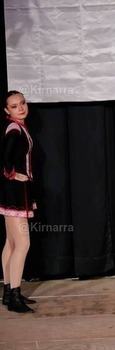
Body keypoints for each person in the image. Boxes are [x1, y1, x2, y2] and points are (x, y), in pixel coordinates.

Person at [1, 91, 37, 313]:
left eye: (22, 103)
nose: (21, 108)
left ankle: (8, 293)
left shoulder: (17, 127)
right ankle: (14, 296)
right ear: (7, 110)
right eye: (14, 106)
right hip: (14, 194)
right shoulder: (14, 129)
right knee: (23, 244)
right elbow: (5, 159)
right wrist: (13, 174)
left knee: (11, 243)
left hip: (13, 193)